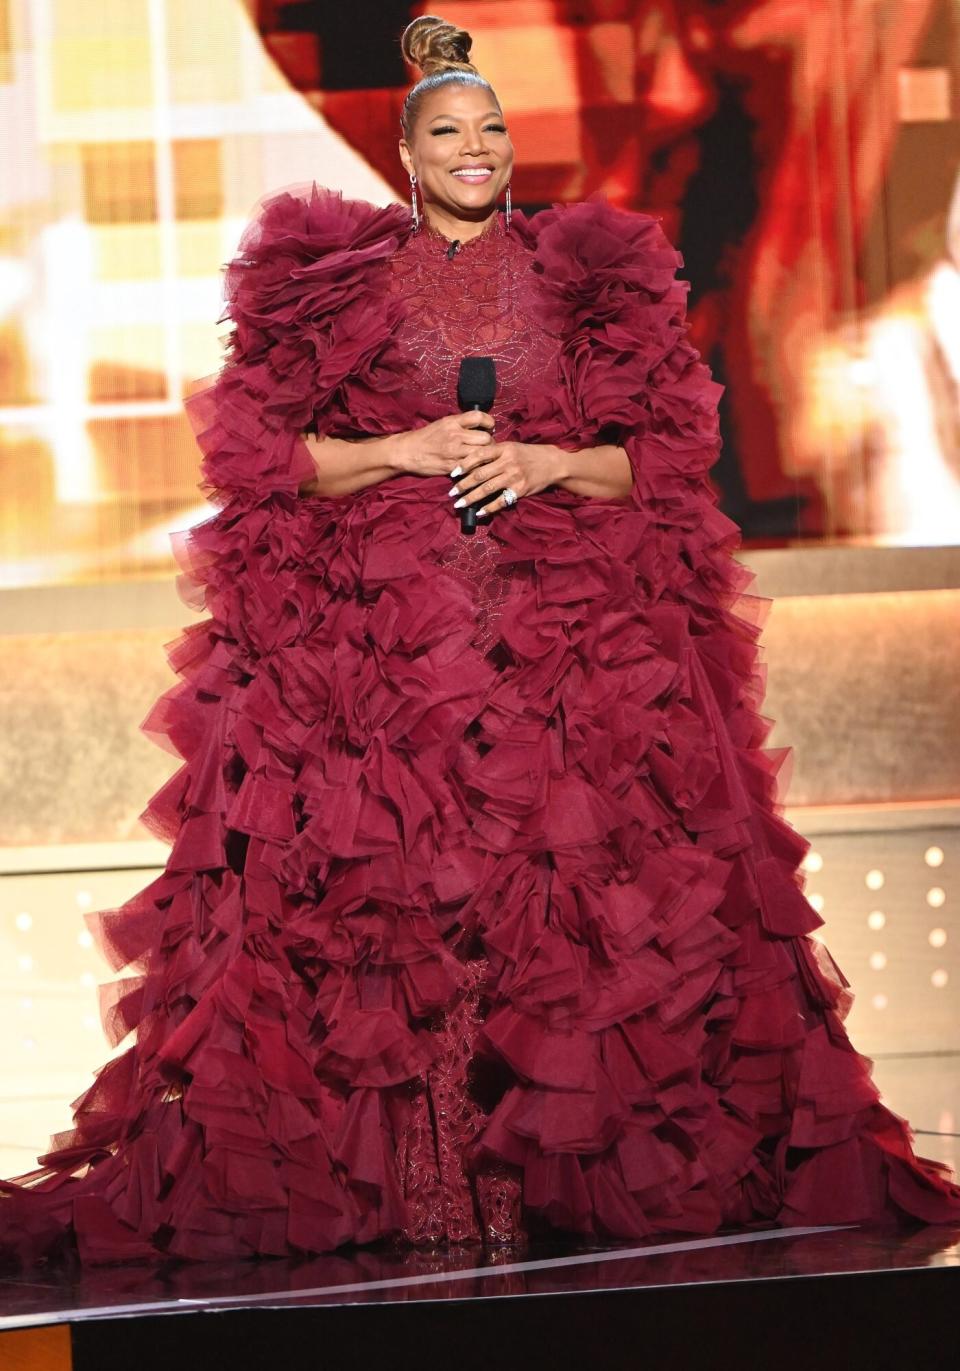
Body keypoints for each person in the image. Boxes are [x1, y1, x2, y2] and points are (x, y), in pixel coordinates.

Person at [2, 14, 959, 1269]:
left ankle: (563, 1197)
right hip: (386, 668)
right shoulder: (335, 281)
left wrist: (550, 458)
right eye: (448, 131)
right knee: (400, 927)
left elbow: (663, 460)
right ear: (404, 155)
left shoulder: (588, 275)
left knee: (571, 923)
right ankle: (420, 1203)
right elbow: (260, 458)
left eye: (493, 129)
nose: (476, 147)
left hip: (565, 658)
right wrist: (401, 450)